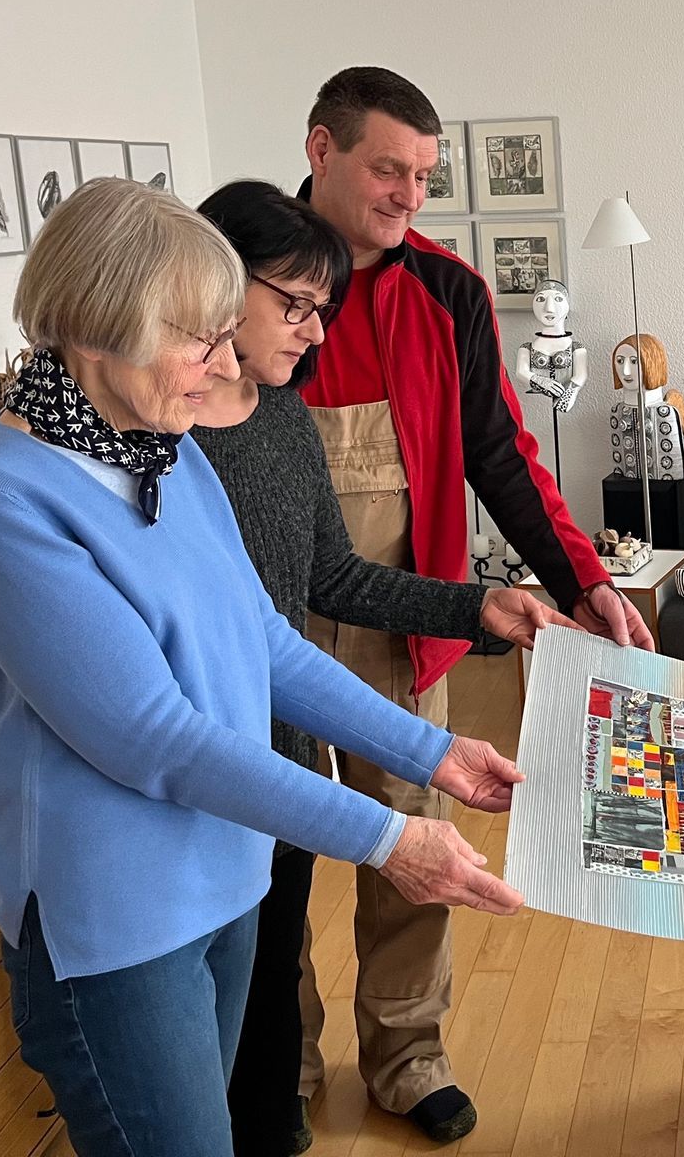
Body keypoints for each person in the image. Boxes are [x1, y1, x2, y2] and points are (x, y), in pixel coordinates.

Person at [0, 179, 526, 1157]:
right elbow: (153, 738)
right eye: (199, 341)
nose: (224, 366)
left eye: (223, 336)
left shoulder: (168, 449)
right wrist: (388, 840)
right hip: (116, 922)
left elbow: (266, 641)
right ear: (99, 326)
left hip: (227, 874)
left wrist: (434, 753)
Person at [294, 67, 650, 1140]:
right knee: (267, 854)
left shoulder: (448, 292)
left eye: (423, 176)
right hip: (268, 621)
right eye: (387, 170)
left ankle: (407, 1055)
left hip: (408, 624)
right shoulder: (246, 273)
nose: (409, 196)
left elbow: (501, 454)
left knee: (413, 843)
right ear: (321, 150)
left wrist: (585, 578)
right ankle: (280, 1067)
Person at [191, 181, 576, 1155]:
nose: (317, 333)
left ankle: (368, 1068)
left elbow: (327, 579)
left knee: (285, 935)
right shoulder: (161, 440)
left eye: (323, 309)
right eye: (297, 306)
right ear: (214, 283)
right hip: (206, 766)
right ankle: (279, 1083)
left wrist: (474, 607)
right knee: (236, 998)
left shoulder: (281, 412)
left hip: (282, 729)